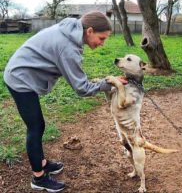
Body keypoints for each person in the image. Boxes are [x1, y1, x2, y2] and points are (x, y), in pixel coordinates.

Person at [3, 11, 126, 192]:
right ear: (89, 31)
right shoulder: (68, 48)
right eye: (102, 38)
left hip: (22, 72)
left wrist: (104, 83)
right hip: (20, 79)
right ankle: (38, 178)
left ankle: (42, 163)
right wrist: (109, 84)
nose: (102, 44)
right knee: (35, 127)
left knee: (38, 125)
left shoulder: (70, 29)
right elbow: (82, 88)